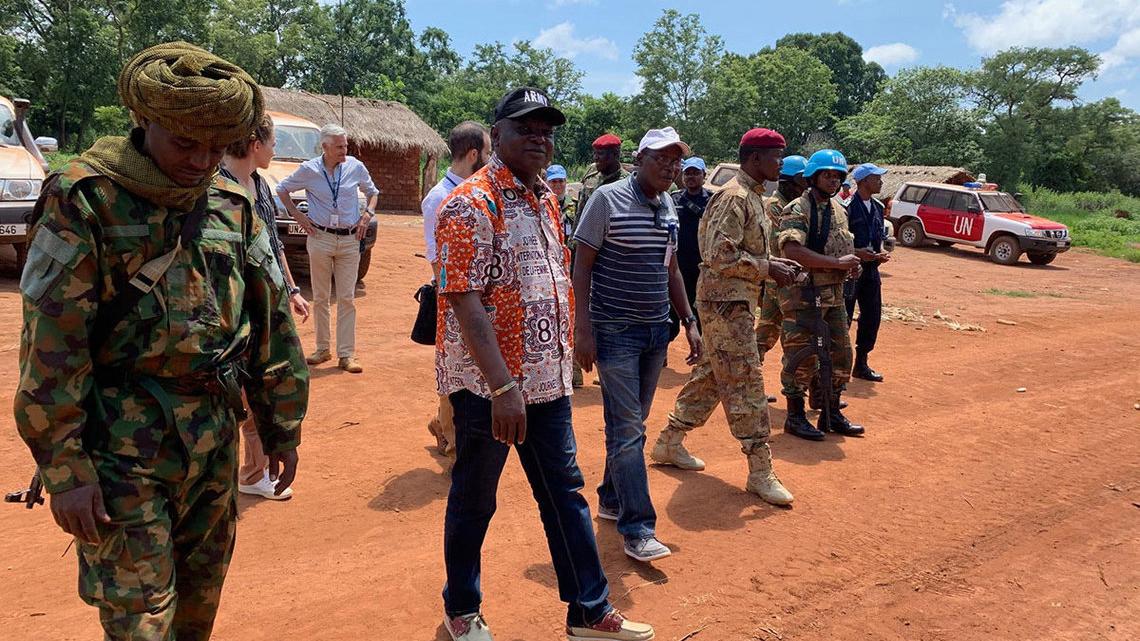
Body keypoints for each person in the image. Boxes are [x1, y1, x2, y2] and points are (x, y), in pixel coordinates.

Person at [13, 42, 308, 641]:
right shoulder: (86, 199)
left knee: (197, 614)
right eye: (185, 144)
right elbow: (51, 343)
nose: (202, 161)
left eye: (217, 147)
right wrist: (65, 468)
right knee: (142, 625)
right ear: (145, 121)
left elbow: (270, 323)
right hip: (119, 449)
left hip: (213, 442)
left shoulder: (232, 205)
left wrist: (282, 425)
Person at [435, 86, 653, 641]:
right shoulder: (470, 203)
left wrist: (573, 340)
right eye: (525, 129)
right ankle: (462, 608)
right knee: (475, 499)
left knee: (565, 494)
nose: (539, 139)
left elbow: (554, 280)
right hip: (489, 389)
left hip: (547, 382)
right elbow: (464, 302)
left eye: (546, 131)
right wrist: (502, 387)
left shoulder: (547, 200)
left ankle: (589, 611)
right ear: (496, 135)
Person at [650, 129, 800, 507]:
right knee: (746, 379)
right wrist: (768, 268)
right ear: (754, 158)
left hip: (736, 302)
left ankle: (669, 440)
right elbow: (719, 255)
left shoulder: (753, 197)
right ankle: (760, 469)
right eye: (776, 156)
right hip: (723, 305)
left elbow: (744, 252)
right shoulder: (734, 197)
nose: (781, 163)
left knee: (713, 375)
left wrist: (774, 265)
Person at [574, 127, 703, 562]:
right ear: (639, 160)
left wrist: (688, 320)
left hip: (655, 331)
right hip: (614, 331)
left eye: (675, 161)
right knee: (628, 429)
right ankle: (639, 528)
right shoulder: (605, 199)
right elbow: (581, 267)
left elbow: (672, 269)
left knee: (632, 425)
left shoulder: (668, 205)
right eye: (661, 159)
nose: (670, 167)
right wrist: (583, 330)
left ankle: (612, 498)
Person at [219, 113, 312, 500]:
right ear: (255, 145)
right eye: (273, 144)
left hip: (263, 305)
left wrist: (290, 289)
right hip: (229, 311)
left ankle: (253, 473)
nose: (275, 151)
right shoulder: (216, 187)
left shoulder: (259, 184)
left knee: (262, 387)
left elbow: (272, 244)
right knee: (231, 395)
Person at [276, 123, 379, 374]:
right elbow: (282, 189)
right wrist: (298, 216)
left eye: (346, 145)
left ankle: (347, 354)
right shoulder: (309, 169)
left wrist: (367, 214)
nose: (345, 150)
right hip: (320, 238)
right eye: (339, 146)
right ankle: (322, 349)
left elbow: (372, 192)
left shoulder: (355, 166)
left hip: (349, 240)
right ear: (325, 147)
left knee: (347, 298)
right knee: (321, 297)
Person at [777, 149, 865, 440]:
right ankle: (795, 415)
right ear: (812, 177)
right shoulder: (797, 209)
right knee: (800, 356)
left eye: (837, 176)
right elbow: (792, 251)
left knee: (841, 353)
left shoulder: (839, 210)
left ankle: (831, 411)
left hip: (834, 295)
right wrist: (836, 263)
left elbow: (840, 247)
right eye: (827, 175)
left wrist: (850, 266)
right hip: (803, 295)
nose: (833, 180)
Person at [422, 120, 492, 456]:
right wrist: (453, 304)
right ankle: (451, 437)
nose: (491, 160)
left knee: (471, 369)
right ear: (474, 154)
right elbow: (436, 258)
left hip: (477, 298)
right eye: (488, 152)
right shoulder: (439, 198)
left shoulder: (479, 192)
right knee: (454, 370)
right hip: (454, 299)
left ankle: (442, 424)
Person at [754, 155, 808, 404]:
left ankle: (814, 391)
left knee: (768, 332)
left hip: (784, 280)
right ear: (788, 182)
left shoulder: (796, 205)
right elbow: (782, 245)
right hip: (780, 281)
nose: (805, 185)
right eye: (801, 181)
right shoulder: (776, 207)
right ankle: (753, 386)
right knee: (787, 336)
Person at [845, 162, 892, 382]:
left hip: (871, 270)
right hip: (850, 271)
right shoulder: (846, 208)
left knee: (872, 316)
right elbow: (837, 243)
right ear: (864, 181)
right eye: (877, 178)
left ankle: (861, 364)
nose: (881, 182)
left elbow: (877, 238)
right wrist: (858, 253)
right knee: (843, 318)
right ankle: (836, 368)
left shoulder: (878, 207)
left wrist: (879, 254)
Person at [668, 156, 711, 342]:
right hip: (677, 266)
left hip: (701, 267)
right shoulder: (673, 199)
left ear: (704, 175)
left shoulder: (712, 201)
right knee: (669, 317)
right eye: (687, 173)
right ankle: (661, 352)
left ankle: (701, 354)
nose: (691, 177)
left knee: (701, 315)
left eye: (695, 173)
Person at [574, 133, 628, 215]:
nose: (595, 158)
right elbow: (580, 213)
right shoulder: (590, 179)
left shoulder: (628, 183)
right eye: (595, 153)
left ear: (615, 154)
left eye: (600, 153)